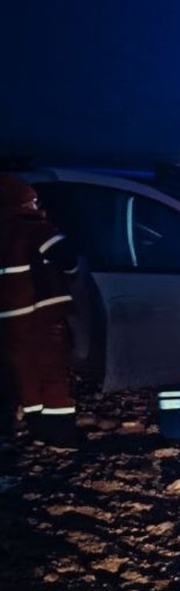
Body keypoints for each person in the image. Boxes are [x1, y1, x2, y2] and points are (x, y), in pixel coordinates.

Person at [0, 174, 79, 449]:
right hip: (41, 313)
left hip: (10, 319)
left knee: (26, 373)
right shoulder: (35, 229)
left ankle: (36, 427)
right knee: (52, 369)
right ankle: (61, 433)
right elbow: (67, 257)